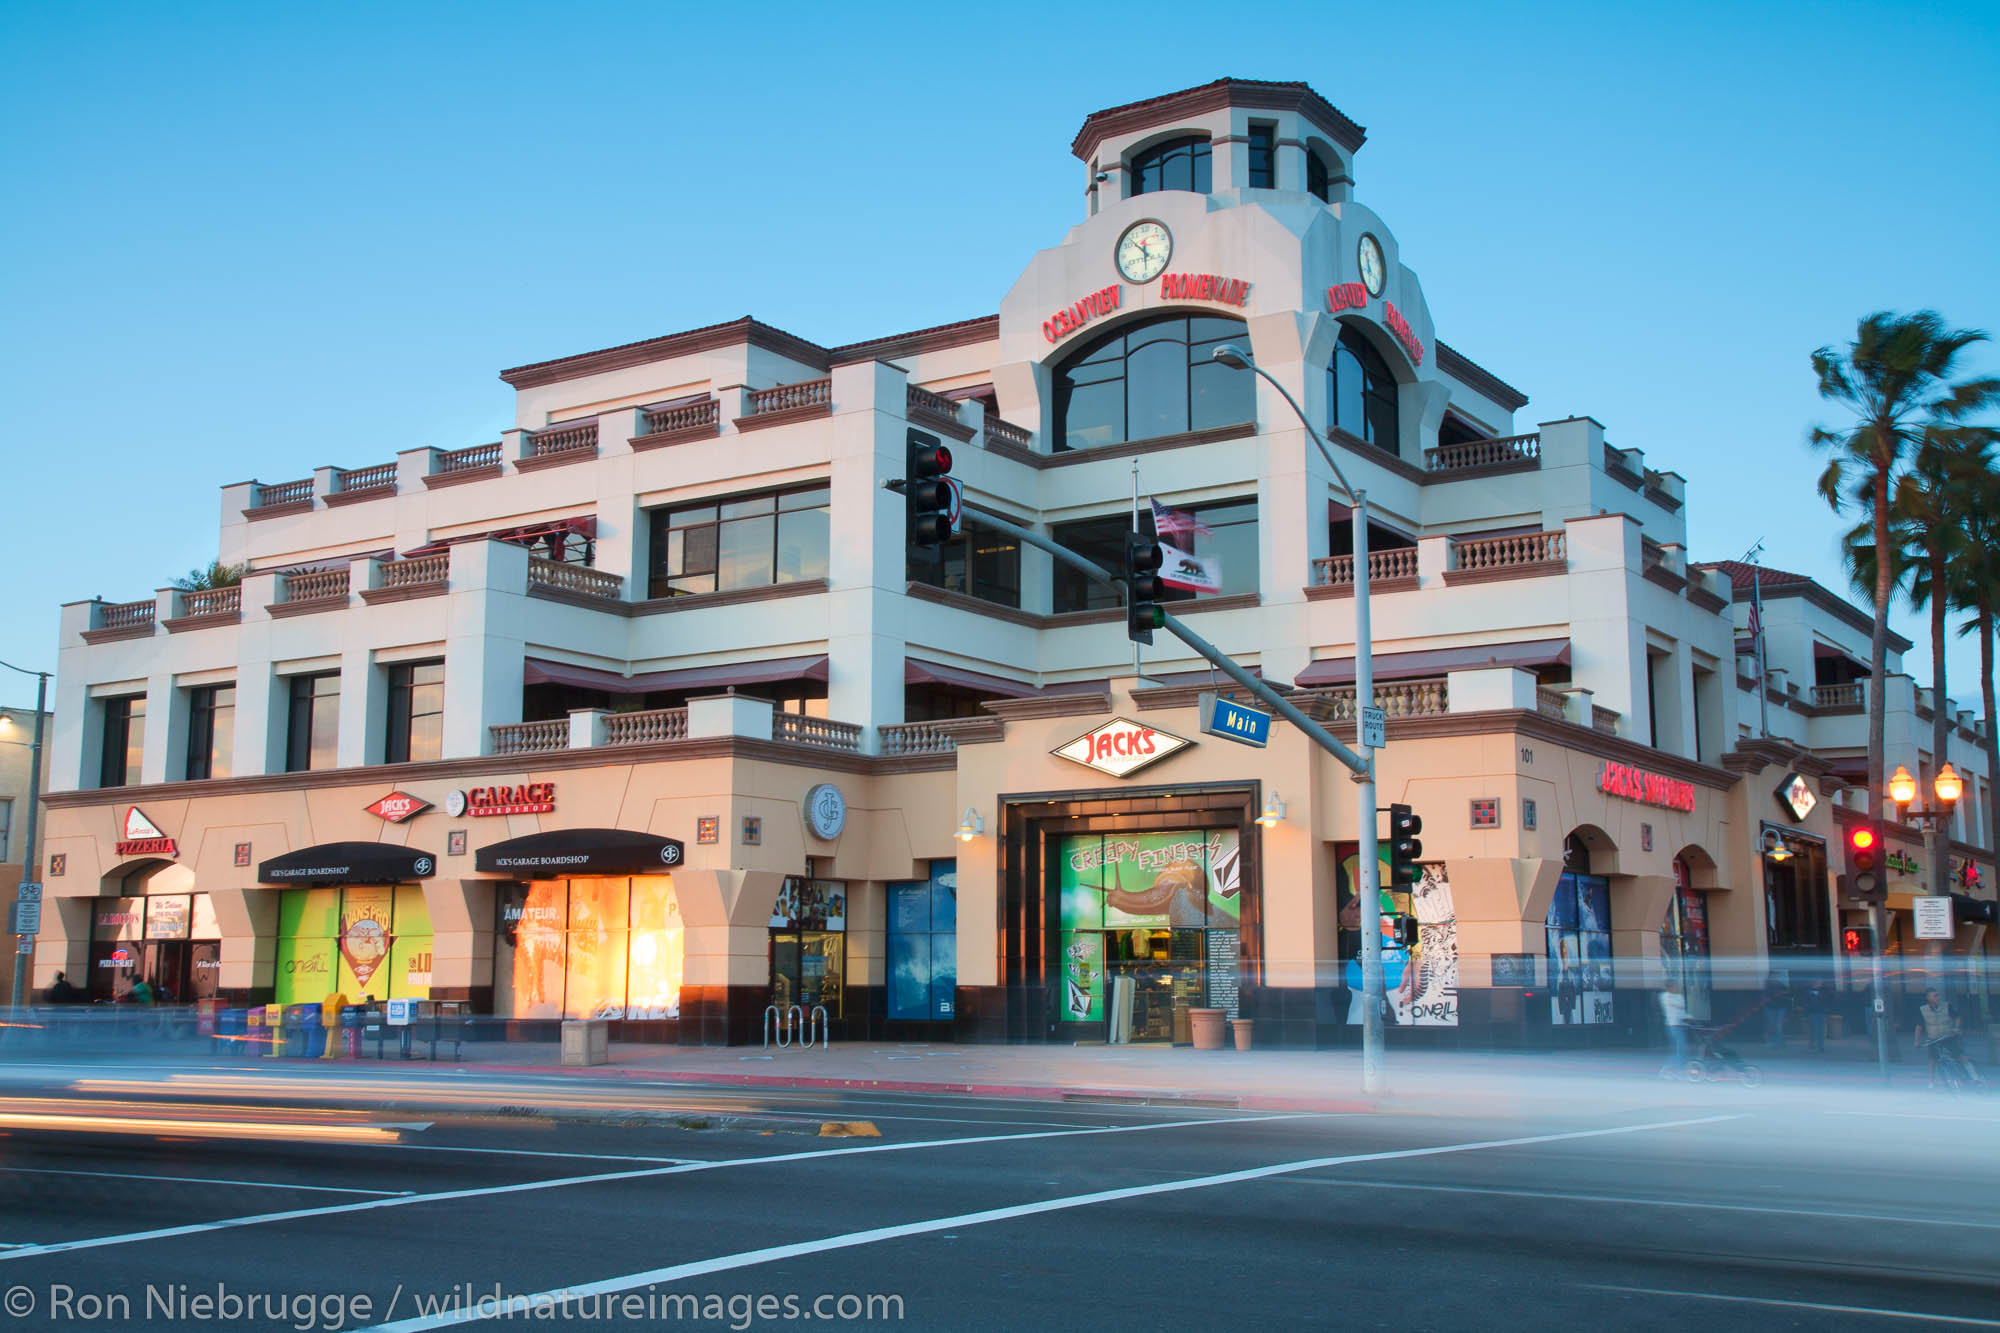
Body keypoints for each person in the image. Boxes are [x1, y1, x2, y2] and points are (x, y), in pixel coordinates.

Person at [1915, 988, 1962, 1086]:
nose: (1938, 997)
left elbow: (1957, 1017)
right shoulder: (1923, 1009)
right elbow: (1919, 1026)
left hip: (1948, 1036)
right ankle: (1931, 1081)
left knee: (1960, 1056)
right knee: (1933, 1059)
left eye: (1938, 995)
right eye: (1935, 995)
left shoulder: (1946, 1006)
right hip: (1934, 1039)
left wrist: (1957, 1028)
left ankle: (1974, 1076)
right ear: (1928, 998)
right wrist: (1917, 1041)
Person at [1659, 982, 1690, 1078]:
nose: (1675, 988)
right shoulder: (1666, 997)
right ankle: (1672, 1070)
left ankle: (1673, 1069)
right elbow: (1678, 1006)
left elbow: (1682, 1011)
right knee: (1679, 1049)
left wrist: (1690, 1017)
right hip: (1673, 1026)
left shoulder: (1678, 997)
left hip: (1679, 1025)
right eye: (1673, 987)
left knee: (1680, 1049)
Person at [1803, 981, 1829, 1055]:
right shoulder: (1808, 991)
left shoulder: (1824, 991)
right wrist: (1807, 1011)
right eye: (1817, 982)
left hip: (1821, 1012)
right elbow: (1805, 1001)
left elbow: (1826, 999)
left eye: (1820, 982)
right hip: (1812, 1012)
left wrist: (1826, 1009)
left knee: (1821, 1030)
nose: (1819, 983)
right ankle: (1812, 1043)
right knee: (1814, 1029)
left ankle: (1821, 1046)